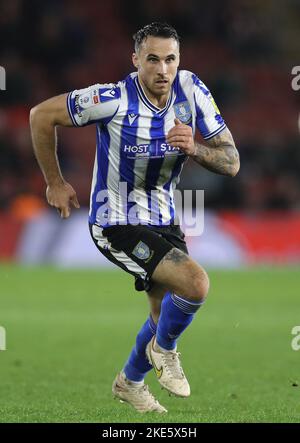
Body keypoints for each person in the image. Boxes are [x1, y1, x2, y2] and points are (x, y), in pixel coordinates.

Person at [30, 22, 239, 414]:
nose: (163, 69)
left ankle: (130, 382)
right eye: (153, 60)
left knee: (164, 312)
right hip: (116, 222)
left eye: (171, 59)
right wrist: (54, 183)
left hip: (164, 217)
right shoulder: (112, 98)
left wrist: (194, 147)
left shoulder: (191, 91)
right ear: (136, 60)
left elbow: (231, 162)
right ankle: (166, 350)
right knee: (195, 284)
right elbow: (41, 115)